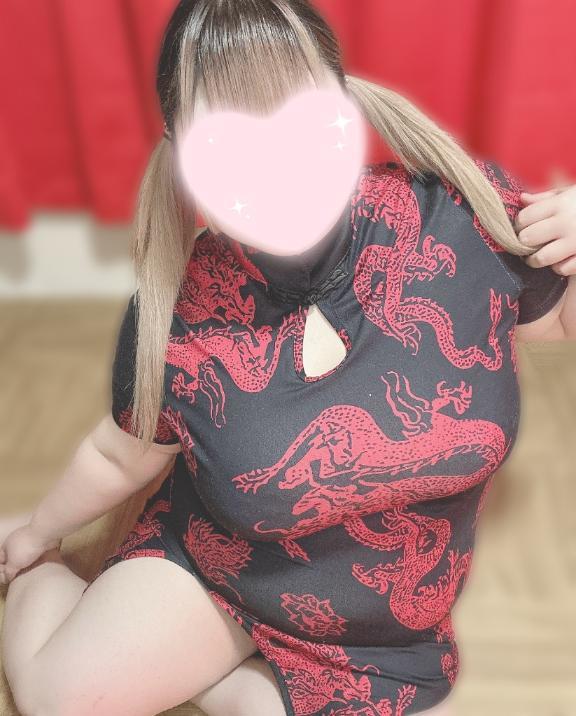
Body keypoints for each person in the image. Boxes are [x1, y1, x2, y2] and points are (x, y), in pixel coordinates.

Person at [0, 1, 571, 715]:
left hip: (386, 633)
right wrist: (36, 536)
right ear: (181, 153)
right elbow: (120, 455)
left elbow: (561, 321)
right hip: (223, 574)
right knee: (57, 700)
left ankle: (224, 684)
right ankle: (49, 580)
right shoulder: (177, 310)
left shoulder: (458, 219)